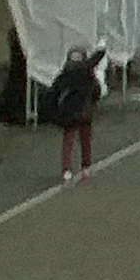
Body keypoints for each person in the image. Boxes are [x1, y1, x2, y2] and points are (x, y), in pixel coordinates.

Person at [43, 48, 103, 182]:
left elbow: (53, 93)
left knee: (68, 141)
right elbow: (96, 92)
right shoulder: (88, 75)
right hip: (85, 112)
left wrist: (53, 112)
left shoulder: (64, 76)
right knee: (85, 140)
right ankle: (85, 166)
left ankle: (67, 169)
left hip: (69, 113)